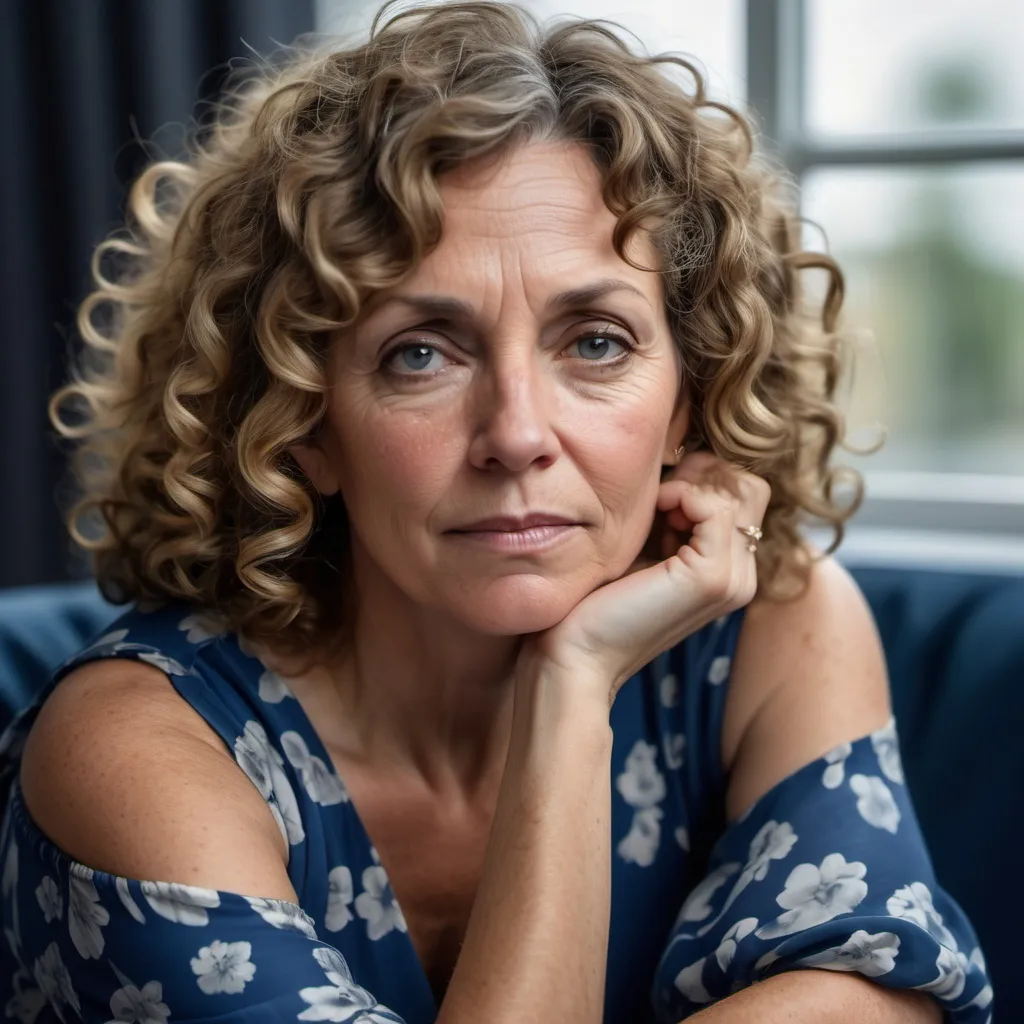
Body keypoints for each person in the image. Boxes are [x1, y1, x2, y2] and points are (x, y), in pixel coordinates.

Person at [0, 1, 993, 1021]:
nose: (516, 433)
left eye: (596, 341)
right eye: (420, 352)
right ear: (300, 420)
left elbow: (873, 996)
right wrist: (570, 693)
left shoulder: (777, 621)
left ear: (687, 394)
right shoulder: (134, 750)